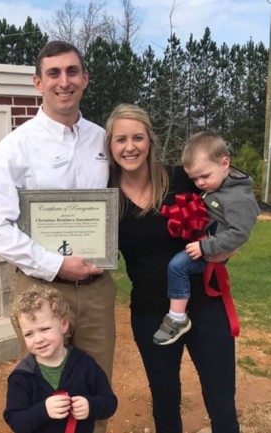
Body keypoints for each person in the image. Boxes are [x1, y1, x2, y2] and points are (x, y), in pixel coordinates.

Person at [0, 40, 117, 433]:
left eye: (72, 72)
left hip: (95, 286)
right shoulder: (15, 147)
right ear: (37, 82)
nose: (64, 81)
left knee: (94, 390)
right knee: (43, 394)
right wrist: (56, 264)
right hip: (40, 291)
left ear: (85, 78)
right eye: (53, 73)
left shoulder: (102, 140)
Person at [105, 103, 241, 433]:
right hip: (152, 313)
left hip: (206, 305)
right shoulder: (106, 198)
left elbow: (234, 201)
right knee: (166, 402)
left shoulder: (182, 177)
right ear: (110, 145)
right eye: (120, 139)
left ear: (150, 140)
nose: (130, 146)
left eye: (138, 137)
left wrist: (226, 246)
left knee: (222, 401)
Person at [153, 131, 260, 345]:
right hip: (206, 241)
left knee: (177, 266)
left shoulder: (238, 198)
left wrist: (205, 246)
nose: (200, 183)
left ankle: (177, 318)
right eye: (194, 178)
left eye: (204, 176)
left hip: (213, 248)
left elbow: (239, 233)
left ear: (225, 163)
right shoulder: (218, 184)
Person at [3, 287, 117, 433]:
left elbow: (109, 402)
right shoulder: (22, 377)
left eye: (45, 329)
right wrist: (43, 410)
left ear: (63, 324)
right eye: (29, 334)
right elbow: (16, 421)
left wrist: (90, 406)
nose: (38, 339)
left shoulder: (85, 364)